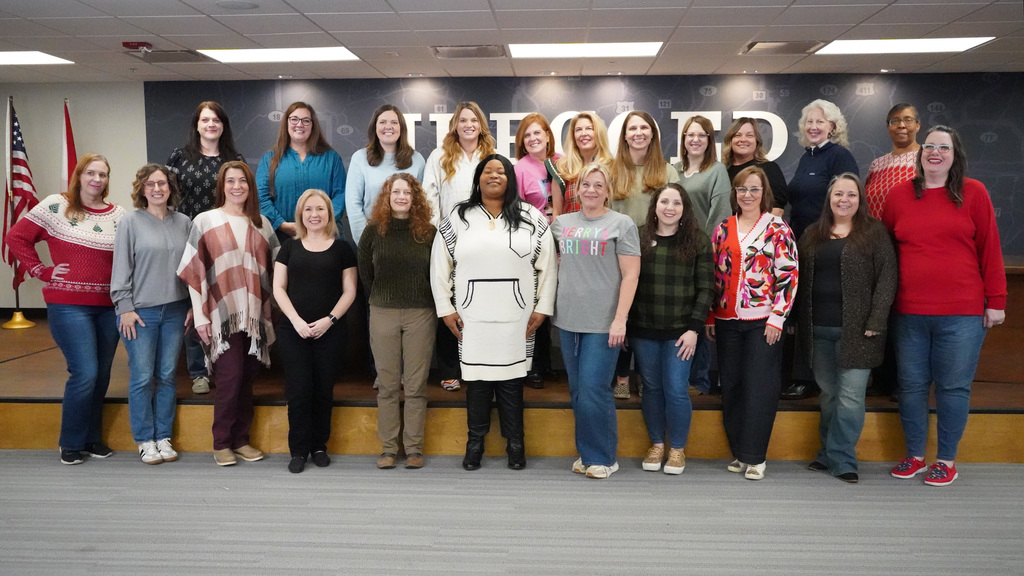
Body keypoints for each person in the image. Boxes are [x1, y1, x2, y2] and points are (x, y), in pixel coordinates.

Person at [882, 125, 1007, 487]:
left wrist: (996, 301)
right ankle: (915, 456)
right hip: (908, 312)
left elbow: (990, 248)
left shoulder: (974, 193)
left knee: (953, 388)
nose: (935, 153)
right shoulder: (898, 195)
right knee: (911, 386)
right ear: (921, 154)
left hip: (962, 314)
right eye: (930, 147)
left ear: (955, 154)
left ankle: (946, 460)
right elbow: (886, 252)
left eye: (944, 147)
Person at [430, 154, 556, 471]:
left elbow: (548, 267)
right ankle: (475, 445)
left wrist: (543, 308)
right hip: (471, 319)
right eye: (488, 170)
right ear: (478, 179)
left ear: (511, 179)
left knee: (512, 383)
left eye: (501, 171)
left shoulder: (532, 217)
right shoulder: (458, 218)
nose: (494, 175)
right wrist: (445, 309)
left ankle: (516, 446)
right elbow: (439, 267)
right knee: (478, 383)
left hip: (518, 318)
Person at [7, 154, 126, 465]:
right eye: (90, 173)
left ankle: (92, 438)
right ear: (79, 176)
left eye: (103, 174)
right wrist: (41, 270)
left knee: (101, 376)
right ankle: (70, 442)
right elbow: (16, 237)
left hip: (108, 308)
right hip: (68, 305)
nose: (96, 179)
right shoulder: (55, 206)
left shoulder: (119, 216)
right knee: (85, 372)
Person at [177, 161, 281, 467]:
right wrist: (200, 316)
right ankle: (221, 442)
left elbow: (276, 269)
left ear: (250, 186)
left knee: (248, 378)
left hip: (255, 315)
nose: (237, 186)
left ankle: (242, 440)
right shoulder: (206, 220)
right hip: (222, 316)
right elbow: (194, 273)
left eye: (243, 181)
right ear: (222, 186)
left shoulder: (261, 223)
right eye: (230, 181)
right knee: (230, 377)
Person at [795, 173, 897, 484]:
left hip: (860, 331)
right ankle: (827, 453)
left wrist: (877, 320)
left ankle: (842, 458)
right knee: (828, 394)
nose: (844, 200)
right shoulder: (813, 234)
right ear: (829, 198)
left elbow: (887, 278)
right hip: (818, 330)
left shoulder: (874, 233)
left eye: (851, 195)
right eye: (838, 194)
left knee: (851, 396)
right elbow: (797, 279)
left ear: (860, 199)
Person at [707, 166, 798, 481]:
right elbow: (714, 277)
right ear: (734, 193)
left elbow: (788, 273)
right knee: (731, 387)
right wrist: (710, 315)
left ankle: (755, 456)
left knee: (760, 388)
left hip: (763, 323)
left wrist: (778, 317)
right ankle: (739, 452)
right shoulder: (722, 228)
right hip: (726, 321)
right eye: (742, 189)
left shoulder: (777, 228)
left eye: (754, 189)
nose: (747, 195)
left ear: (765, 193)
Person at [552, 162, 641, 479]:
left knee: (594, 389)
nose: (591, 190)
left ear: (607, 191)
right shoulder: (561, 224)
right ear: (577, 189)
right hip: (568, 320)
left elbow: (631, 275)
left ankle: (604, 457)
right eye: (586, 184)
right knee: (577, 390)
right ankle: (587, 453)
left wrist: (621, 320)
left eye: (598, 185)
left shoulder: (622, 223)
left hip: (604, 322)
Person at [111, 164, 193, 465]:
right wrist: (125, 308)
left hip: (176, 310)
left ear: (170, 187)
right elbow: (121, 268)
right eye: (150, 184)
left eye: (162, 183)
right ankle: (145, 440)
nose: (157, 189)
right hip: (139, 314)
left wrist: (193, 307)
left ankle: (163, 436)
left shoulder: (184, 222)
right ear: (141, 189)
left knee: (168, 376)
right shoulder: (130, 222)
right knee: (143, 377)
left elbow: (192, 270)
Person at [631, 183, 714, 475]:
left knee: (677, 389)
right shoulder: (639, 237)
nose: (669, 208)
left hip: (682, 333)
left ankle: (677, 449)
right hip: (644, 329)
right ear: (654, 206)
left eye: (676, 203)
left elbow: (706, 289)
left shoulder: (698, 241)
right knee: (652, 388)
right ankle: (657, 444)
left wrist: (694, 329)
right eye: (664, 202)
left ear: (684, 209)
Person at [273, 189, 357, 474]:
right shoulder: (289, 247)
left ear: (329, 214)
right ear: (301, 214)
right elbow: (278, 288)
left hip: (329, 332)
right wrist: (296, 320)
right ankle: (298, 451)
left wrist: (329, 320)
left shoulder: (342, 248)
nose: (314, 215)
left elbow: (350, 291)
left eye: (320, 209)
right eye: (308, 210)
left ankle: (319, 446)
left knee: (323, 391)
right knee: (298, 392)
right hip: (293, 331)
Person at [166, 100, 245, 395]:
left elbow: (239, 195)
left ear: (223, 126)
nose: (211, 125)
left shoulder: (232, 158)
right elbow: (167, 194)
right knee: (194, 302)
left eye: (216, 120)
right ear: (197, 125)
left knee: (220, 299)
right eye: (205, 120)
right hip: (188, 236)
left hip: (222, 238)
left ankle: (223, 363)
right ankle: (198, 370)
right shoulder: (180, 156)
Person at [358, 174, 436, 470]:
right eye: (396, 192)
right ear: (387, 197)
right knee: (388, 386)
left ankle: (414, 448)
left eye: (407, 192)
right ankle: (389, 448)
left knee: (416, 386)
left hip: (421, 313)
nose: (401, 196)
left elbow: (438, 273)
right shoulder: (372, 233)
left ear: (415, 197)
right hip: (383, 312)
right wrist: (382, 298)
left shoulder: (428, 233)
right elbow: (366, 274)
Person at [782, 99, 859, 401]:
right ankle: (805, 374)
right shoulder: (807, 157)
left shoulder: (840, 156)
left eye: (820, 122)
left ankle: (809, 378)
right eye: (809, 122)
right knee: (803, 309)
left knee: (818, 312)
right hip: (802, 245)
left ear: (833, 126)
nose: (813, 127)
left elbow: (847, 201)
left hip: (828, 245)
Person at [423, 101, 496, 392]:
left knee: (482, 302)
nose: (468, 125)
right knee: (448, 303)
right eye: (463, 120)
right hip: (448, 239)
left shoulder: (492, 156)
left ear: (481, 125)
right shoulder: (439, 156)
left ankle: (481, 365)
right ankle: (450, 369)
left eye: (473, 120)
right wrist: (439, 233)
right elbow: (429, 196)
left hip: (486, 240)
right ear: (455, 125)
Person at [609, 110, 679, 399]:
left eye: (644, 128)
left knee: (647, 317)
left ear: (652, 134)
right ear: (624, 135)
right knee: (622, 314)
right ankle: (622, 377)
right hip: (619, 254)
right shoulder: (611, 170)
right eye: (632, 128)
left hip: (657, 254)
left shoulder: (667, 171)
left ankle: (650, 379)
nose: (638, 133)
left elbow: (676, 212)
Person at [672, 114, 732, 396]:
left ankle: (699, 381)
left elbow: (720, 214)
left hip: (702, 253)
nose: (695, 139)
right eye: (690, 135)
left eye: (701, 135)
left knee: (700, 313)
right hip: (672, 256)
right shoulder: (674, 170)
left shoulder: (717, 170)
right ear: (683, 140)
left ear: (709, 141)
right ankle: (679, 378)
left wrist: (699, 248)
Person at [863, 103, 920, 398]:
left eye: (908, 120)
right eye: (895, 120)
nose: (902, 125)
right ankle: (882, 377)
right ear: (887, 126)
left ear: (918, 125)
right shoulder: (878, 164)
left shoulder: (925, 160)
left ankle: (904, 380)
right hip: (874, 247)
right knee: (877, 312)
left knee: (902, 315)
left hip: (907, 247)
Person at [514, 112, 562, 388]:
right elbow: (516, 210)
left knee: (554, 301)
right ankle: (531, 366)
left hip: (563, 241)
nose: (533, 139)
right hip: (534, 244)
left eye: (537, 133)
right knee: (535, 303)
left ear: (547, 135)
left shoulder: (561, 163)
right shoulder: (520, 168)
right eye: (527, 135)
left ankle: (546, 363)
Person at [257, 101, 346, 241]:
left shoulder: (331, 158)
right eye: (294, 119)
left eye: (306, 120)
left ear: (313, 125)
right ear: (286, 123)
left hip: (326, 237)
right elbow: (261, 197)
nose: (299, 124)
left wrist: (320, 223)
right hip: (282, 237)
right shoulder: (270, 159)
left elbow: (341, 195)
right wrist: (282, 224)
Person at [346, 104, 426, 245]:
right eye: (382, 122)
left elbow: (421, 203)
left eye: (394, 122)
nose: (388, 127)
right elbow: (353, 204)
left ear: (401, 128)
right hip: (372, 240)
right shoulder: (360, 158)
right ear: (374, 127)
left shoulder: (417, 160)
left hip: (409, 240)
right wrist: (365, 241)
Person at [722, 117, 789, 214]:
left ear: (757, 141)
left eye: (749, 135)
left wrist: (752, 228)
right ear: (730, 140)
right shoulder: (722, 171)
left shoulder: (769, 169)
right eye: (737, 135)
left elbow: (777, 210)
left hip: (760, 228)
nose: (743, 139)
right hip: (726, 228)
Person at [552, 111, 613, 216]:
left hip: (604, 231)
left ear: (599, 133)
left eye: (589, 128)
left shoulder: (612, 167)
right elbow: (557, 212)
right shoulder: (562, 168)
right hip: (571, 231)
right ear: (573, 136)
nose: (583, 133)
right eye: (578, 130)